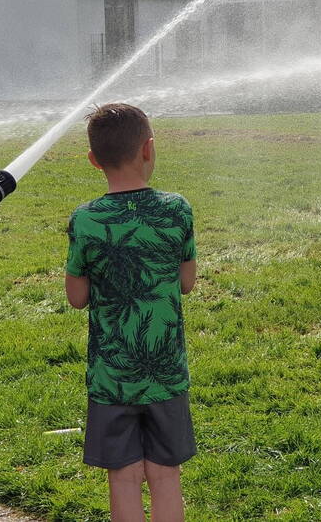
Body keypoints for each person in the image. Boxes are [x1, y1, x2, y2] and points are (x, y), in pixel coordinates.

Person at [65, 103, 198, 522]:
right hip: (165, 370)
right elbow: (186, 282)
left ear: (93, 160)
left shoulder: (85, 219)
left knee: (122, 476)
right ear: (148, 149)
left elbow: (77, 297)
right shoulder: (177, 209)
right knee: (166, 473)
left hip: (112, 374)